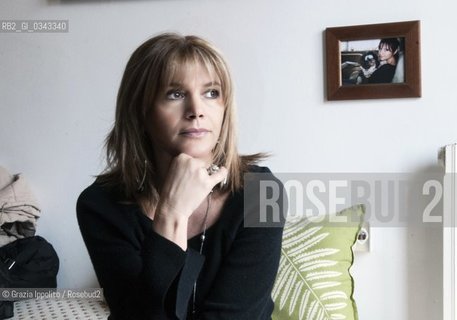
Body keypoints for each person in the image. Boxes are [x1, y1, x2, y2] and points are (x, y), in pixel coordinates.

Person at [76, 33, 284, 320]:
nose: (196, 111)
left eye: (211, 93)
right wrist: (172, 214)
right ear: (140, 111)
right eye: (175, 94)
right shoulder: (100, 205)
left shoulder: (262, 192)